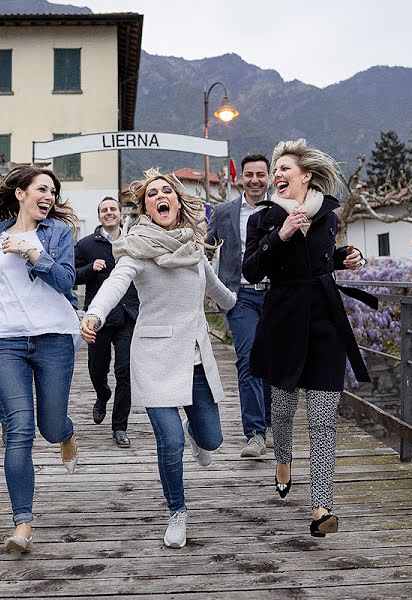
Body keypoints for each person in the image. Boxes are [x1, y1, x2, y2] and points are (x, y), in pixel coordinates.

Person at [79, 168, 236, 549]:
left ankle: (194, 433)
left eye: (168, 191)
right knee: (169, 442)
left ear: (178, 201)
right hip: (154, 355)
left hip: (195, 354)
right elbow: (115, 284)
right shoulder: (137, 249)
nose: (161, 197)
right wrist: (94, 315)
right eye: (153, 194)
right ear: (146, 207)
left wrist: (244, 308)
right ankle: (177, 512)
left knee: (211, 441)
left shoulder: (195, 248)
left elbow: (218, 290)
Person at [242, 139, 376, 538]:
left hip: (324, 321)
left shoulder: (328, 216)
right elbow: (250, 270)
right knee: (282, 411)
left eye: (284, 168)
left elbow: (320, 259)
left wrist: (344, 257)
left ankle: (322, 507)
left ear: (306, 176)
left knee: (322, 422)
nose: (277, 175)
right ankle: (283, 460)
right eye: (275, 169)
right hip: (283, 320)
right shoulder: (263, 218)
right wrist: (279, 235)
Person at [0, 165, 81, 553]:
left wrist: (33, 253)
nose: (48, 196)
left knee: (49, 426)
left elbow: (66, 280)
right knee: (19, 430)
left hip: (53, 338)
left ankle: (65, 433)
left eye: (53, 191)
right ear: (21, 194)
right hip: (7, 340)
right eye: (42, 189)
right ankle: (22, 525)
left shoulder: (58, 233)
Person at [205, 154, 272, 458]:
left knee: (274, 362)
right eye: (249, 174)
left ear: (269, 178)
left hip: (277, 296)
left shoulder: (282, 210)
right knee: (249, 360)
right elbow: (205, 249)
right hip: (239, 295)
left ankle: (270, 423)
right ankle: (256, 433)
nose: (255, 180)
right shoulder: (224, 212)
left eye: (261, 174)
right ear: (240, 178)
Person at [74, 197, 139, 448]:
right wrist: (91, 268)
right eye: (104, 210)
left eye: (113, 209)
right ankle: (102, 394)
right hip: (98, 318)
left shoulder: (134, 243)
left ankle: (119, 427)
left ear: (121, 214)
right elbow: (71, 274)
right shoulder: (86, 244)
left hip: (129, 314)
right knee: (97, 368)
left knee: (125, 371)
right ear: (99, 216)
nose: (109, 213)